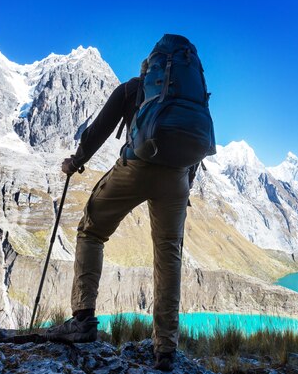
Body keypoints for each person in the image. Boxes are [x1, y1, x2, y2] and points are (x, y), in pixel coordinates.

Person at [45, 40, 201, 371]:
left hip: (138, 165)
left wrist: (76, 161)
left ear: (150, 70)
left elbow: (99, 129)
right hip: (177, 177)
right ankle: (166, 349)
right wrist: (185, 185)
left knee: (91, 231)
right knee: (169, 255)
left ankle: (83, 318)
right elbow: (195, 146)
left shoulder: (132, 88)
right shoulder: (192, 99)